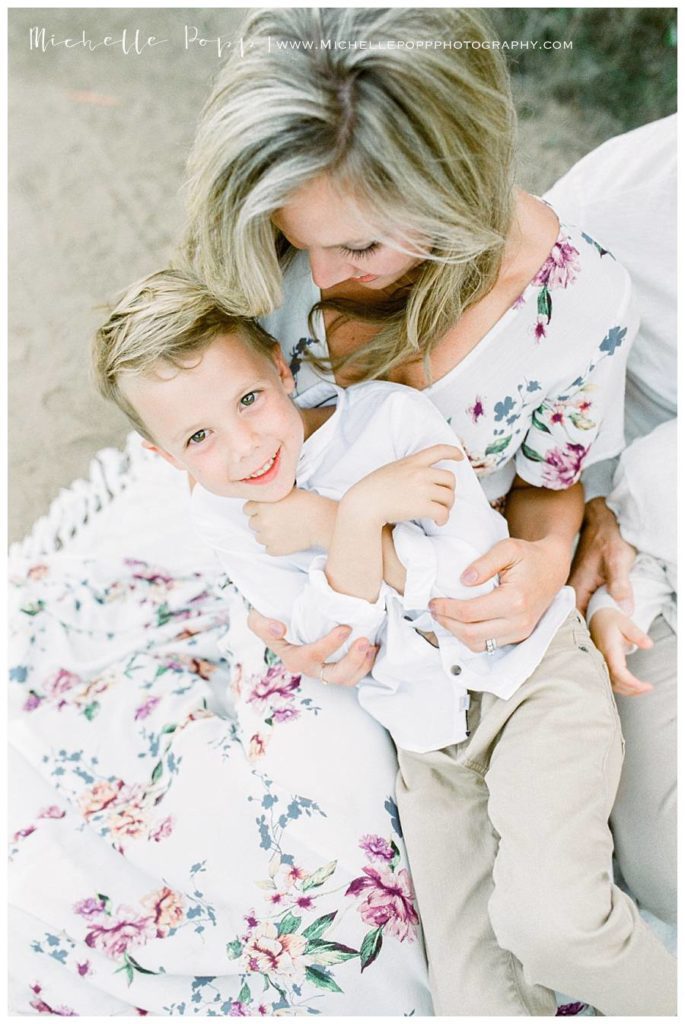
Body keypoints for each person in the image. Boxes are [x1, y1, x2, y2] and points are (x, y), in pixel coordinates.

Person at [91, 267, 675, 1016]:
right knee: (473, 1001)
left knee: (551, 924)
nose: (243, 449)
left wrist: (333, 523)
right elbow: (332, 644)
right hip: (430, 746)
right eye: (199, 437)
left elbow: (475, 591)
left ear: (279, 367)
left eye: (248, 401)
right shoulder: (222, 516)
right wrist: (361, 519)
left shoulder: (390, 424)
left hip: (529, 682)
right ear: (168, 459)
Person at [545, 115, 676, 926]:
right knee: (669, 859)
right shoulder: (607, 213)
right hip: (642, 543)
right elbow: (555, 443)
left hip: (648, 502)